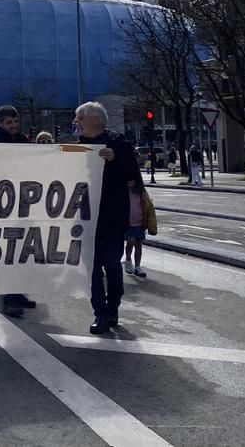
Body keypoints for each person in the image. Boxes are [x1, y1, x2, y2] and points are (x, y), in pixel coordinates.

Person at [75, 101, 141, 335]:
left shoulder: (119, 143)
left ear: (94, 120)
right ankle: (100, 313)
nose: (76, 123)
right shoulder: (76, 148)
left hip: (113, 216)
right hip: (85, 217)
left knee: (112, 263)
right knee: (92, 267)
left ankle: (113, 307)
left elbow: (133, 176)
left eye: (80, 118)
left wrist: (115, 159)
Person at [0, 106, 37, 317]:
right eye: (9, 123)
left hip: (21, 200)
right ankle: (9, 298)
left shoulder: (20, 140)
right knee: (10, 251)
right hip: (6, 203)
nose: (14, 126)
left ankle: (17, 292)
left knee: (20, 250)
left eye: (15, 122)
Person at [124, 175, 150, 277]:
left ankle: (138, 266)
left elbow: (147, 206)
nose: (131, 183)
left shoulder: (141, 192)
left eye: (133, 181)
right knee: (131, 242)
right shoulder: (124, 192)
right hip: (129, 223)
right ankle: (128, 259)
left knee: (139, 245)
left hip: (140, 222)